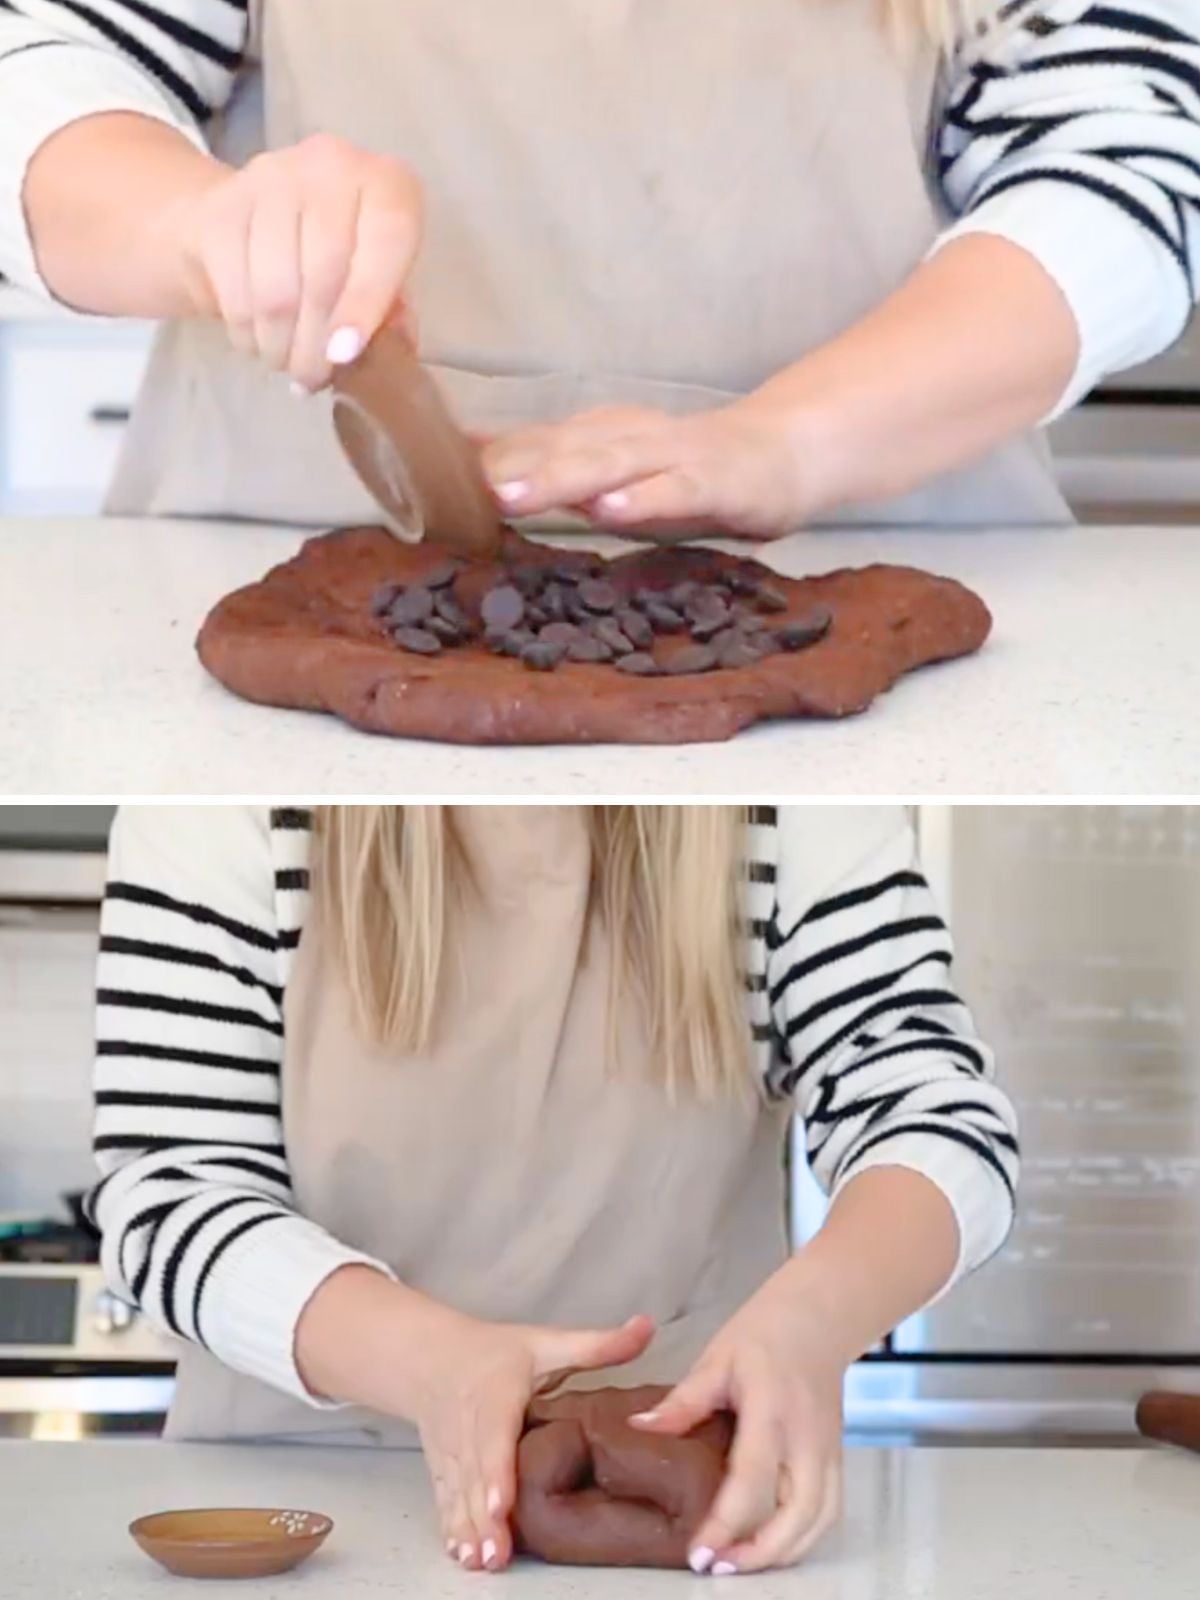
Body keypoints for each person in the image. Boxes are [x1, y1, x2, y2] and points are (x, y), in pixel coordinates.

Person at [90, 803, 1018, 1576]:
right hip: (293, 1505)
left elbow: (932, 1112)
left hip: (691, 1501)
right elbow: (168, 1195)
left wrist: (815, 1321)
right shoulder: (227, 799)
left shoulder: (795, 795)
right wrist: (433, 1365)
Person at [0, 1, 1196, 534]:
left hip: (874, 555)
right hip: (271, 546)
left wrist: (792, 442)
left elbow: (1123, 169)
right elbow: (44, 63)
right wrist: (206, 230)